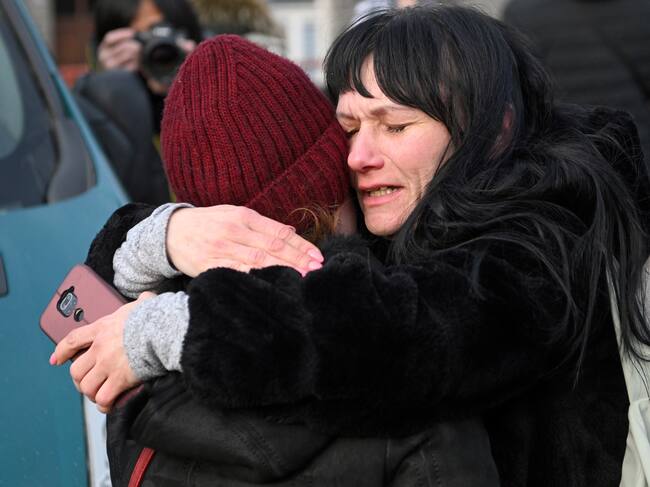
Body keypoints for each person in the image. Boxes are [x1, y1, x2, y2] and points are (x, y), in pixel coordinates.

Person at [53, 5, 650, 486]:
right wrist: (166, 235)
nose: (359, 156)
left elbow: (404, 328)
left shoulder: (542, 242)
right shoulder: (411, 214)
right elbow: (70, 314)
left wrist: (175, 327)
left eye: (396, 126)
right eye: (348, 128)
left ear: (494, 131)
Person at [74, 0, 203, 204]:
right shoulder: (102, 97)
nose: (158, 50)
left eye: (165, 34)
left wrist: (199, 81)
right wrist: (105, 89)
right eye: (144, 39)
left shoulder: (212, 92)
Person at [503, 0, 650, 170]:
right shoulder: (643, 8)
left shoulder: (524, 12)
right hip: (639, 153)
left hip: (571, 161)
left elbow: (527, 102)